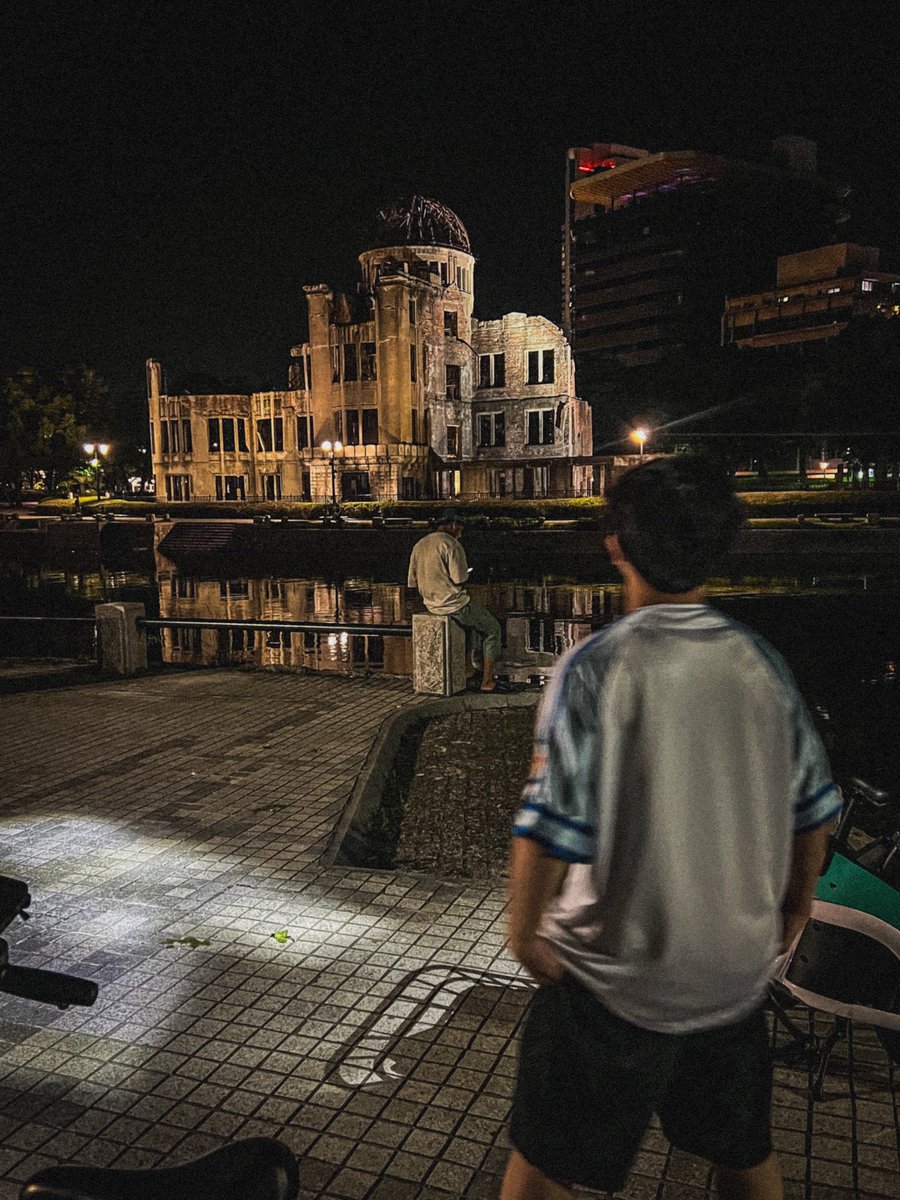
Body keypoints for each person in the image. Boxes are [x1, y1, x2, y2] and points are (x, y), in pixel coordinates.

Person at [502, 456, 842, 1200]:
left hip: (614, 976)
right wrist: (794, 906)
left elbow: (548, 822)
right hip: (731, 974)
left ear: (615, 545)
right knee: (743, 1151)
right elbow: (814, 809)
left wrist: (525, 932)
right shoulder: (764, 667)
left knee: (544, 1169)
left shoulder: (594, 669)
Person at [407, 509, 502, 692]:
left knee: (476, 628)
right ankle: (487, 681)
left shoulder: (420, 544)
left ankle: (475, 671)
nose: (461, 532)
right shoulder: (450, 544)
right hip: (454, 604)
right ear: (453, 526)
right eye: (460, 528)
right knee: (492, 628)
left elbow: (412, 581)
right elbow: (459, 578)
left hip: (431, 604)